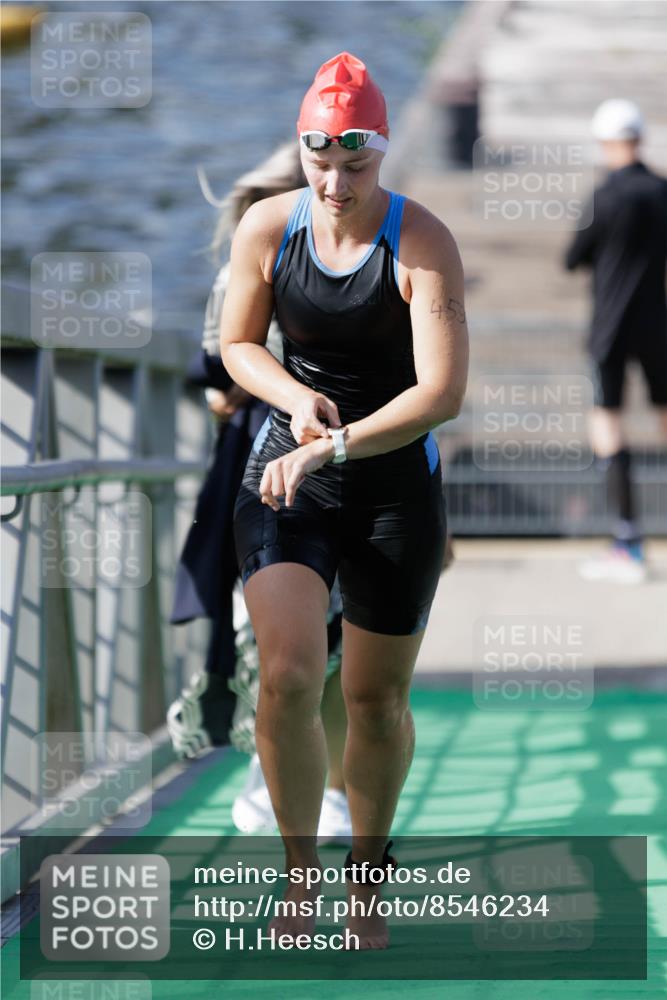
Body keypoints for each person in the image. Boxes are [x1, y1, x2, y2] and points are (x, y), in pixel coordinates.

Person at [220, 52, 468, 949]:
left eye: (354, 165)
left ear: (382, 152)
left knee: (373, 701)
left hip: (392, 484)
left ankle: (366, 873)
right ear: (301, 149)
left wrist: (339, 442)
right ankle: (300, 874)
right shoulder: (266, 226)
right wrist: (295, 403)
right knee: (288, 673)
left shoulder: (421, 240)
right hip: (288, 473)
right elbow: (238, 345)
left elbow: (439, 395)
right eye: (318, 161)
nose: (334, 184)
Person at [166, 146, 352, 844]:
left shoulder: (346, 259)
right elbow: (220, 368)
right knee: (283, 641)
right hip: (264, 464)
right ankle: (276, 781)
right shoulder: (254, 263)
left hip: (333, 458)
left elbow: (216, 379)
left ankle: (315, 789)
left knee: (326, 639)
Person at [564, 99, 667, 583]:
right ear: (639, 138)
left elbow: (573, 257)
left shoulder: (604, 197)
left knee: (607, 424)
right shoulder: (662, 191)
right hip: (657, 323)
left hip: (609, 328)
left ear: (606, 143)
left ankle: (628, 541)